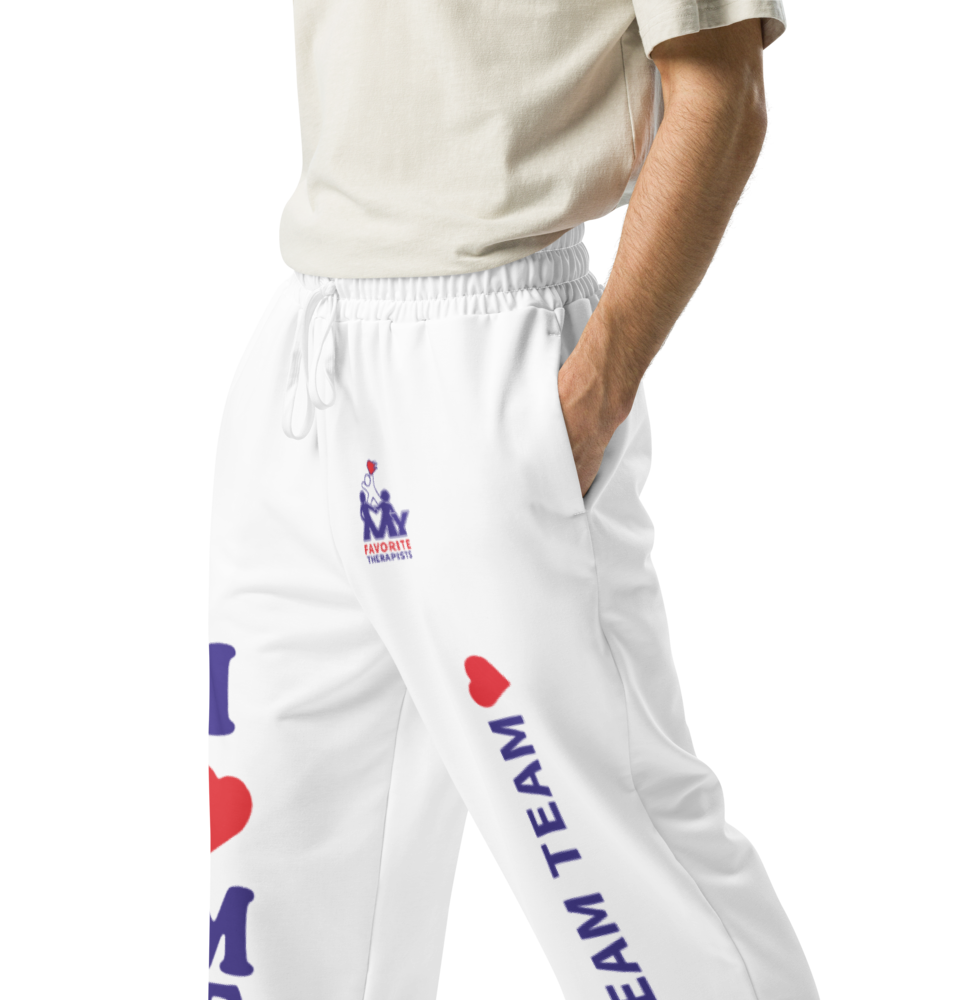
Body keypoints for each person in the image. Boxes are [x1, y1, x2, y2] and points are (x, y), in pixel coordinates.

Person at [208, 2, 821, 999]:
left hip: (488, 346)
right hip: (305, 348)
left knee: (617, 866)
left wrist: (597, 387)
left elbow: (722, 87)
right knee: (268, 881)